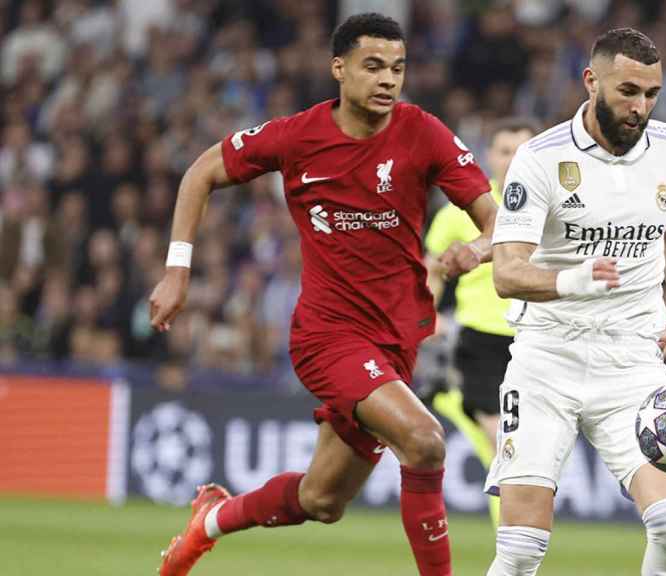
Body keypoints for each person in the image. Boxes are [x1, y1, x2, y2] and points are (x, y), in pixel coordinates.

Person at [148, 13, 495, 576]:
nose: (388, 80)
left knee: (321, 501)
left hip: (396, 343)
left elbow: (495, 221)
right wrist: (177, 270)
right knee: (426, 441)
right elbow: (201, 172)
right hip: (328, 337)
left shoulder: (422, 132)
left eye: (398, 69)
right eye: (373, 66)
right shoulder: (297, 136)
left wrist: (479, 250)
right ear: (339, 69)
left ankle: (209, 520)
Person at [484, 28, 666, 576]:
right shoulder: (539, 160)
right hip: (547, 358)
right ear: (591, 81)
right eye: (628, 91)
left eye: (652, 94)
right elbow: (507, 273)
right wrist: (570, 281)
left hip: (631, 358)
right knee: (519, 550)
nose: (640, 107)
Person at [424, 117, 540, 529]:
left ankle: (515, 548)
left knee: (519, 456)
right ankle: (512, 548)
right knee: (503, 446)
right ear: (490, 156)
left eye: (522, 151)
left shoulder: (550, 205)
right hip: (481, 338)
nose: (513, 160)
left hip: (535, 340)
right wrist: (426, 316)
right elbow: (432, 268)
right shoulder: (465, 210)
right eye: (505, 151)